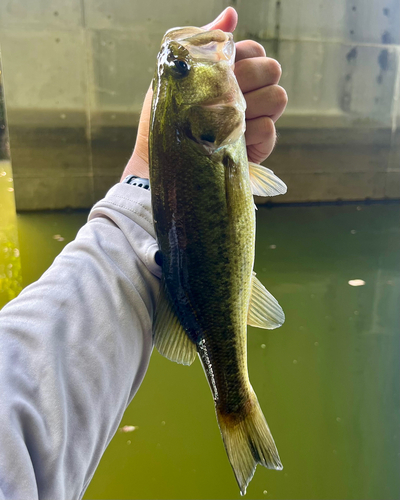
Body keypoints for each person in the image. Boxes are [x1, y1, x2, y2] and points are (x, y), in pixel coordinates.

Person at [0, 7, 287, 500]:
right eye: (179, 70)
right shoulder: (214, 144)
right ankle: (235, 403)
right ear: (202, 124)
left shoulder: (212, 141)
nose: (184, 60)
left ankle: (233, 401)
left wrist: (143, 176)